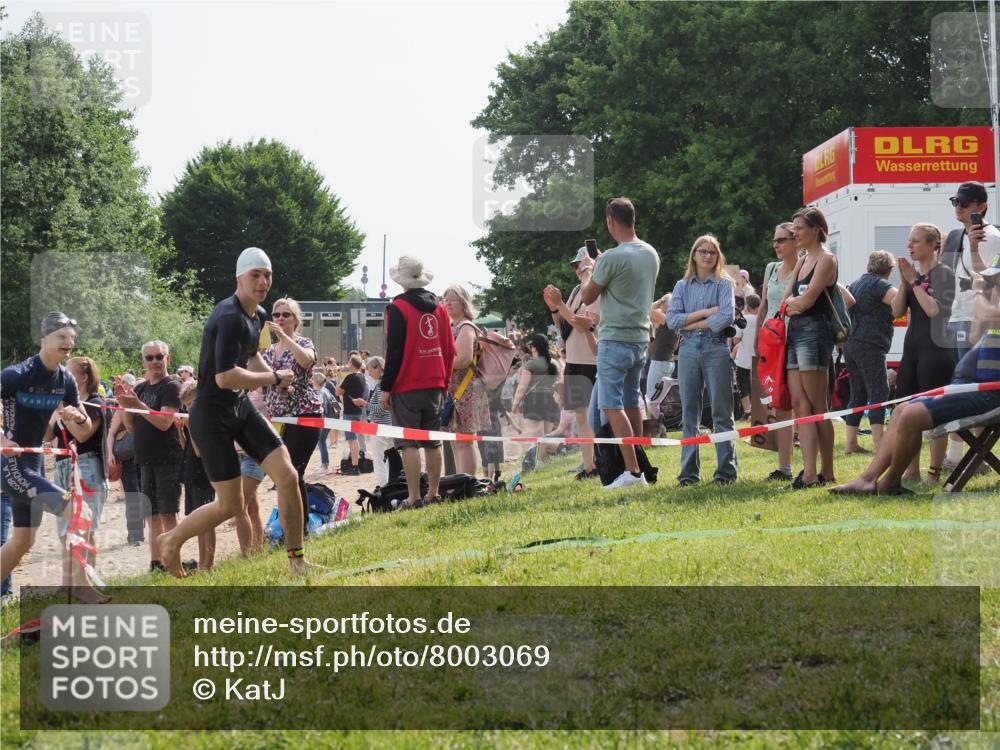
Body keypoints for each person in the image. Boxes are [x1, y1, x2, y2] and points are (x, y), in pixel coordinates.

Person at [154, 247, 305, 576]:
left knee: (288, 476)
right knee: (231, 504)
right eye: (256, 275)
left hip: (238, 407)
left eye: (267, 275)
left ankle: (297, 561)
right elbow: (224, 377)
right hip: (210, 416)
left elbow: (250, 359)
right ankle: (171, 540)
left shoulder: (257, 315)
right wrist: (274, 377)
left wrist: (271, 377)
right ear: (239, 278)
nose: (263, 281)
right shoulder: (229, 316)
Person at [832, 274, 1000, 496]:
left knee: (911, 416)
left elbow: (993, 316)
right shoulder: (993, 307)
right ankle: (868, 479)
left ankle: (890, 482)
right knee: (901, 409)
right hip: (967, 385)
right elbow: (977, 330)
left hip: (988, 394)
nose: (992, 285)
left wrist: (979, 291)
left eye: (996, 280)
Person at [0, 312, 96, 596]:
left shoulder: (65, 379)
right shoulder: (17, 374)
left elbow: (84, 431)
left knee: (22, 542)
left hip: (36, 463)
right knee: (80, 512)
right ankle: (80, 588)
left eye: (72, 338)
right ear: (44, 338)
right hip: (13, 465)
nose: (69, 343)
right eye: (62, 337)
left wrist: (76, 418)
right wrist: (3, 437)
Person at [579, 197, 660, 490]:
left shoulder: (611, 257)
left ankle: (632, 471)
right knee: (631, 402)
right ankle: (637, 462)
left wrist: (591, 269)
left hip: (614, 337)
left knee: (611, 405)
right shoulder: (650, 253)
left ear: (611, 221)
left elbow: (587, 296)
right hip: (640, 337)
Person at [379, 256, 456, 508]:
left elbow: (394, 352)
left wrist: (386, 387)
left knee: (408, 443)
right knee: (433, 441)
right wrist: (444, 382)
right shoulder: (441, 307)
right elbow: (449, 348)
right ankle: (434, 494)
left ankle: (414, 497)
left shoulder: (398, 307)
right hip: (435, 383)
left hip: (406, 384)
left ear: (402, 280)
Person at [667, 235, 738, 485]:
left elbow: (726, 317)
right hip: (687, 349)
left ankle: (726, 472)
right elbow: (671, 320)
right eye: (703, 251)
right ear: (694, 255)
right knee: (689, 414)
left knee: (721, 411)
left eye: (713, 252)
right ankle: (688, 474)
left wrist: (691, 322)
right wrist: (706, 313)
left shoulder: (723, 284)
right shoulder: (681, 286)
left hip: (716, 347)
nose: (708, 256)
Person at [890, 224, 958, 484]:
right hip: (912, 349)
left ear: (932, 245)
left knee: (933, 413)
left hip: (937, 350)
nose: (910, 246)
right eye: (909, 241)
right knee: (905, 410)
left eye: (916, 241)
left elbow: (933, 310)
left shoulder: (944, 273)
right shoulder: (913, 277)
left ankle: (934, 472)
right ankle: (912, 469)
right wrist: (904, 281)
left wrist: (916, 281)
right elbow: (896, 312)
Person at [942, 181, 1000, 472]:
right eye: (955, 201)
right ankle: (973, 459)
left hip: (979, 318)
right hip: (960, 315)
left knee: (970, 387)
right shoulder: (960, 236)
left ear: (981, 206)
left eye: (964, 202)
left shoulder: (990, 237)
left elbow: (989, 280)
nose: (958, 207)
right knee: (964, 384)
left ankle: (968, 459)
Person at [114, 340, 185, 573]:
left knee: (168, 513)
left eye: (158, 356)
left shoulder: (171, 386)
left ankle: (174, 564)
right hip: (144, 459)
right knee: (152, 513)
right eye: (149, 357)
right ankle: (157, 564)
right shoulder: (142, 388)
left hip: (167, 458)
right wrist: (125, 404)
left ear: (168, 359)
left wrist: (137, 403)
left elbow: (165, 423)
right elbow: (131, 427)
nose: (154, 361)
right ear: (143, 361)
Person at [782, 207, 839, 489]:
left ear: (816, 229)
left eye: (800, 229)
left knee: (818, 407)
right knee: (799, 405)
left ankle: (827, 471)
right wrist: (790, 306)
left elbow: (804, 302)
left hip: (815, 333)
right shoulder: (802, 260)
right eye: (793, 231)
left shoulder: (826, 259)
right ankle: (808, 472)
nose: (796, 235)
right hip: (793, 334)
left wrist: (791, 306)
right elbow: (786, 299)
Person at [45, 356, 108, 599]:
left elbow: (83, 436)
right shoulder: (63, 403)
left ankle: (86, 584)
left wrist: (67, 412)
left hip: (86, 466)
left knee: (85, 528)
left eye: (67, 374)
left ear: (83, 377)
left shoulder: (94, 402)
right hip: (62, 466)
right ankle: (68, 582)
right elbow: (47, 437)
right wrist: (50, 414)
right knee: (64, 529)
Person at [543, 247, 601, 480]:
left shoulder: (595, 291)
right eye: (576, 265)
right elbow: (564, 323)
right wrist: (554, 307)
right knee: (579, 415)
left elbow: (582, 324)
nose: (578, 269)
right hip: (575, 359)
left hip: (589, 359)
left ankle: (594, 463)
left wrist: (560, 306)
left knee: (588, 415)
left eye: (582, 264)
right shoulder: (578, 289)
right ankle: (589, 465)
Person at [262, 297, 320, 528]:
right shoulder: (268, 351)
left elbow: (306, 362)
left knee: (293, 472)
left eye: (286, 315)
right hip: (276, 418)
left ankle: (299, 528)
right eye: (276, 315)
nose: (280, 319)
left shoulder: (304, 342)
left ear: (296, 320)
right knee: (284, 476)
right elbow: (259, 377)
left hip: (304, 415)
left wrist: (286, 337)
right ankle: (292, 526)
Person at [756, 222, 800, 481]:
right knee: (780, 405)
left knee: (800, 406)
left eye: (781, 240)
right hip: (771, 343)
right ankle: (784, 467)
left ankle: (807, 465)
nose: (776, 245)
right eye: (774, 240)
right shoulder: (771, 269)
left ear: (796, 241)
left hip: (795, 342)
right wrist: (755, 341)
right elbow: (763, 304)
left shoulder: (808, 267)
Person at [844, 250, 898, 454]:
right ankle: (879, 444)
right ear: (889, 269)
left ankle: (851, 443)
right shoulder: (880, 284)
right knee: (880, 390)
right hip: (870, 343)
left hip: (851, 343)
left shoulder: (856, 283)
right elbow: (897, 301)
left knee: (858, 392)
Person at [442, 284, 492, 476]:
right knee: (457, 441)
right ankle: (460, 480)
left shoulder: (466, 326)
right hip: (458, 390)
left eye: (452, 300)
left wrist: (440, 364)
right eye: (446, 300)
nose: (448, 303)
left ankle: (467, 483)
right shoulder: (456, 326)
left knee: (464, 441)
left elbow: (463, 359)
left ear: (463, 302)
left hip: (466, 390)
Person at [178, 379, 215, 571]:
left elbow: (200, 451)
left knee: (207, 523)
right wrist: (180, 429)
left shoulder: (205, 421)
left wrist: (190, 426)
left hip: (204, 473)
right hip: (191, 470)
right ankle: (202, 564)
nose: (189, 409)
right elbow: (187, 447)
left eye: (192, 405)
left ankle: (207, 565)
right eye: (186, 407)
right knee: (199, 523)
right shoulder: (193, 422)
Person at [511, 334, 561, 463]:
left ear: (534, 348)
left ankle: (537, 464)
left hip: (534, 401)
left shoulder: (531, 364)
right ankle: (544, 463)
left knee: (536, 438)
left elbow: (522, 387)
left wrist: (515, 404)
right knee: (546, 437)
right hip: (551, 401)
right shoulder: (555, 363)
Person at [105, 408, 144, 546]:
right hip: (129, 460)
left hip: (146, 457)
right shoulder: (121, 410)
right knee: (134, 497)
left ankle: (141, 533)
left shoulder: (146, 404)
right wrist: (110, 454)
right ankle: (135, 535)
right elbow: (111, 433)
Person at [364, 356, 395, 486]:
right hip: (391, 426)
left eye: (371, 370)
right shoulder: (387, 384)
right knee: (390, 461)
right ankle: (391, 486)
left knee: (379, 461)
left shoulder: (380, 385)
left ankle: (384, 487)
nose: (369, 374)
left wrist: (364, 404)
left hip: (380, 427)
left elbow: (381, 409)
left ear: (378, 369)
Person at [336, 355, 367, 475]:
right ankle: (355, 464)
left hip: (349, 412)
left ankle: (354, 466)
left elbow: (338, 392)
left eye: (349, 362)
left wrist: (339, 379)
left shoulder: (350, 377)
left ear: (351, 364)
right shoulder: (362, 377)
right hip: (358, 412)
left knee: (352, 440)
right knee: (355, 439)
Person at [732, 293, 760, 420]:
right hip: (759, 357)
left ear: (747, 306)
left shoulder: (744, 320)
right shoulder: (762, 319)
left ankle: (747, 410)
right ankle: (756, 410)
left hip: (743, 358)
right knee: (756, 386)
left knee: (743, 385)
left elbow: (736, 340)